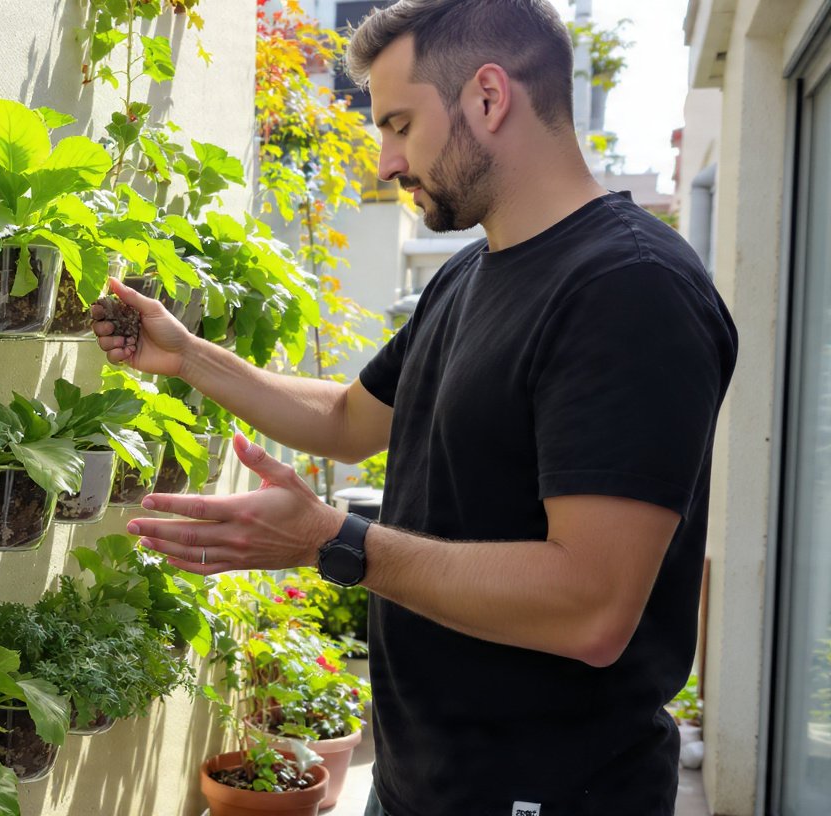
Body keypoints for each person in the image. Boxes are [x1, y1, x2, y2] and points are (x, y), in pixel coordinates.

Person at [90, 1, 739, 814]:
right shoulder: (471, 276)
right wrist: (187, 356)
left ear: (489, 97)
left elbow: (592, 605)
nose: (387, 161)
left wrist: (338, 543)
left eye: (399, 123)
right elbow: (347, 422)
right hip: (419, 780)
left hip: (552, 793)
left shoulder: (628, 290)